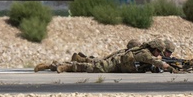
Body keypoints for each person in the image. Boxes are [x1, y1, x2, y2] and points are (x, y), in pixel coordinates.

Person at [35, 38, 182, 73]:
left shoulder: (147, 52)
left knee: (93, 65)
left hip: (119, 64)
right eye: (159, 51)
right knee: (94, 68)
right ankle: (62, 66)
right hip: (116, 62)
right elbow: (154, 62)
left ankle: (66, 63)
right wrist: (170, 68)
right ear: (155, 48)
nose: (160, 54)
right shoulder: (145, 53)